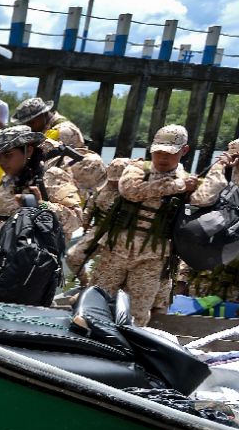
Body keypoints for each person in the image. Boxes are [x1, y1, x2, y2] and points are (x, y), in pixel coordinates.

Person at [86, 125, 229, 325]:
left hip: (152, 258)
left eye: (170, 153)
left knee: (138, 312)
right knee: (96, 300)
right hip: (116, 250)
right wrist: (177, 186)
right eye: (158, 152)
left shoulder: (188, 180)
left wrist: (220, 166)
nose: (163, 158)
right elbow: (130, 191)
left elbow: (203, 199)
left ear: (184, 151)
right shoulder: (137, 169)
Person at [0, 125, 82, 300]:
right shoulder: (7, 179)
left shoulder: (51, 176)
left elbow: (77, 219)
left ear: (29, 151)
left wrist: (42, 205)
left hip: (26, 264)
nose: (2, 162)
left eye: (8, 155)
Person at [11, 97, 85, 149]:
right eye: (25, 124)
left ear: (44, 114)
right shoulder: (46, 128)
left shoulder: (62, 131)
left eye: (31, 123)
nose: (29, 128)